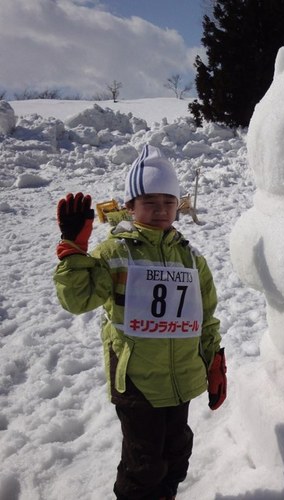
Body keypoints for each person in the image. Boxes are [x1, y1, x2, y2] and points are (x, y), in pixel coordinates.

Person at [54, 144, 227, 500]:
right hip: (137, 383)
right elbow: (77, 300)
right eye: (150, 202)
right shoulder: (115, 252)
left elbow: (205, 317)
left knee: (176, 457)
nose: (161, 210)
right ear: (130, 207)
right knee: (143, 466)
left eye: (168, 202)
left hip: (181, 376)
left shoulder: (192, 258)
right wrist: (73, 250)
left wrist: (214, 362)